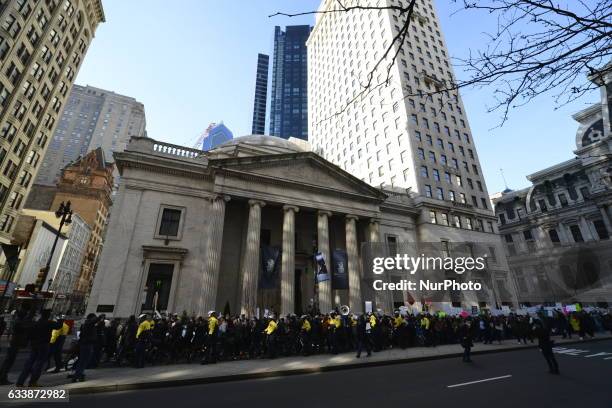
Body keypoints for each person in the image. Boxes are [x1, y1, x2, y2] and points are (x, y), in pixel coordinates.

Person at [16, 309, 63, 387]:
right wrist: (60, 319)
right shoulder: (49, 323)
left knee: (29, 362)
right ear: (48, 316)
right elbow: (59, 326)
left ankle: (20, 381)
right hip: (44, 345)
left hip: (34, 344)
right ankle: (32, 382)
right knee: (39, 364)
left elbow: (29, 334)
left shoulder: (36, 323)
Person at [0, 308, 32, 385]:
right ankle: (2, 378)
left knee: (8, 361)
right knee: (9, 361)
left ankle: (2, 377)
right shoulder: (19, 323)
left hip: (13, 343)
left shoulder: (16, 322)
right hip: (14, 344)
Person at [70, 313, 97, 382]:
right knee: (84, 361)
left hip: (84, 344)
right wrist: (99, 318)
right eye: (94, 318)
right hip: (87, 344)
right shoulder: (89, 324)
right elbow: (94, 321)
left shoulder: (85, 324)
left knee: (82, 361)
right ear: (91, 318)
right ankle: (78, 375)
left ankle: (78, 374)